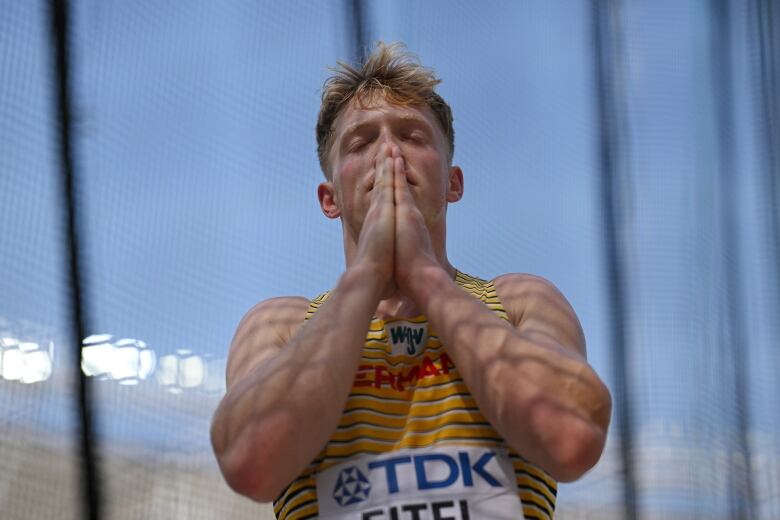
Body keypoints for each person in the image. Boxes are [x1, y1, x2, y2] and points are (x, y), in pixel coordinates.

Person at [211, 42, 612, 520]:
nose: (388, 154)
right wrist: (368, 273)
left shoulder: (520, 300)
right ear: (329, 198)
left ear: (452, 183)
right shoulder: (279, 323)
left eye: (412, 136)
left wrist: (424, 274)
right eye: (361, 143)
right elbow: (250, 462)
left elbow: (571, 439)